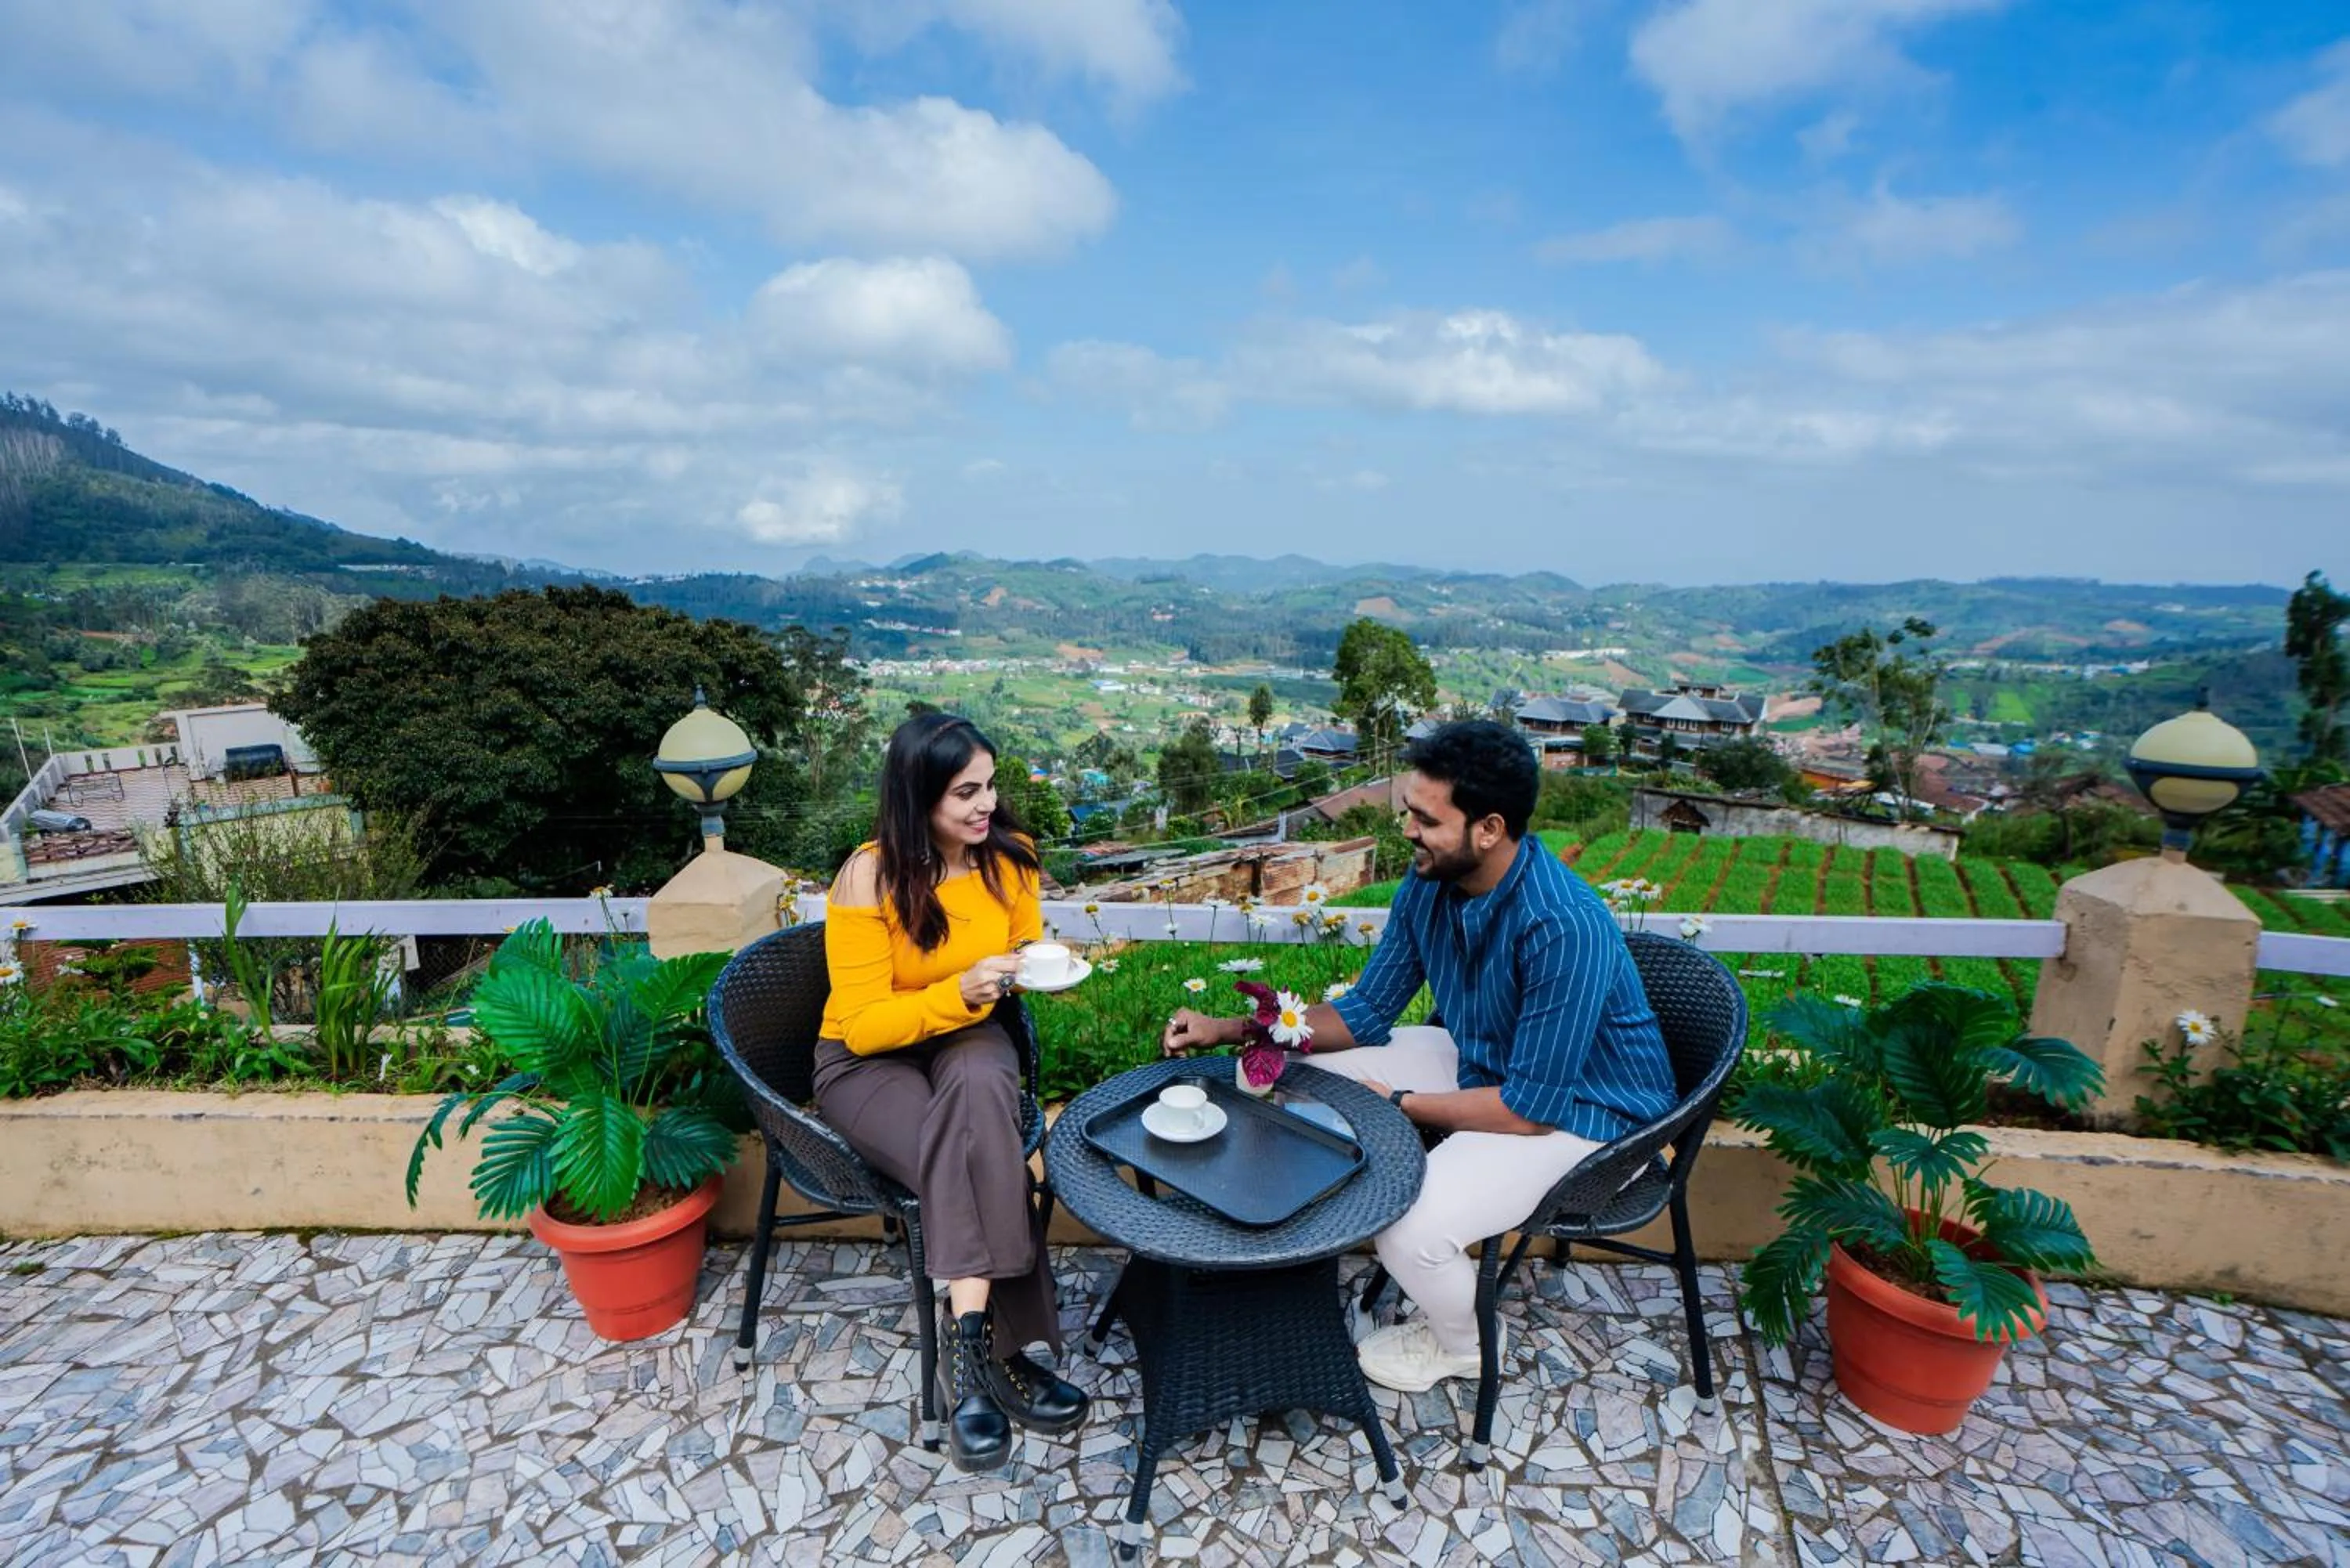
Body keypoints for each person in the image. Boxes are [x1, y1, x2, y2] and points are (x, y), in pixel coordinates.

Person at [1162, 720, 1676, 1393]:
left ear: (1488, 829)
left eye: (1425, 818)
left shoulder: (1561, 926)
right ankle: (1269, 1239)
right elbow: (1367, 1012)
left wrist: (1400, 1106)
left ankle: (1468, 1345)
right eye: (1409, 810)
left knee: (1408, 1226)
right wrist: (1234, 1028)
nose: (1407, 830)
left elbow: (1530, 1110)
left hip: (1592, 1114)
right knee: (1299, 1079)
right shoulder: (1431, 883)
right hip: (1491, 1065)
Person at [815, 712, 1089, 1472]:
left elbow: (1027, 948)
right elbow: (865, 1025)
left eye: (991, 785)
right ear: (918, 794)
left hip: (970, 1039)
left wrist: (1037, 969)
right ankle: (996, 1359)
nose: (987, 805)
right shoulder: (868, 875)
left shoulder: (1011, 859)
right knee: (973, 1143)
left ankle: (964, 1353)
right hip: (863, 1061)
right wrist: (960, 990)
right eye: (966, 792)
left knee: (975, 1090)